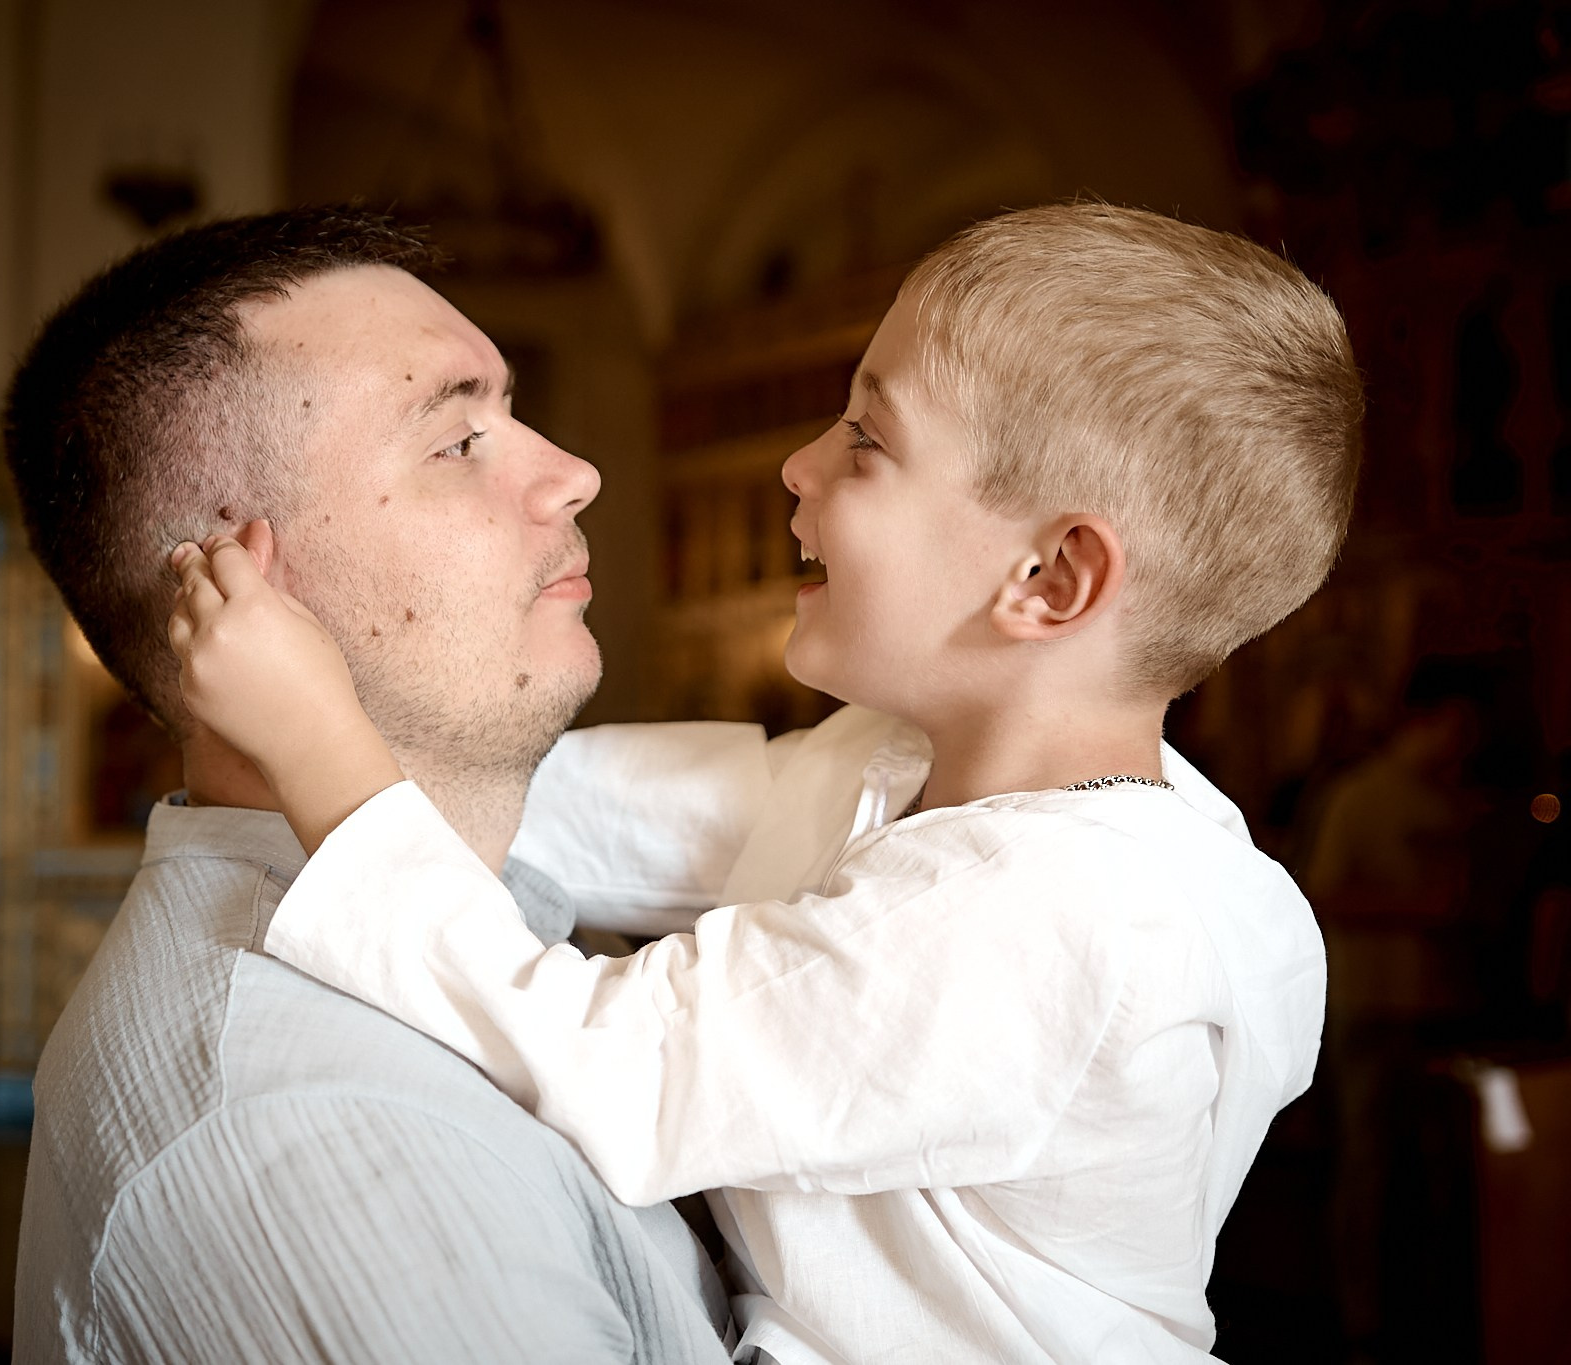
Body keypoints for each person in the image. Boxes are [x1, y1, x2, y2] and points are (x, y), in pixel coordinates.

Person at [167, 203, 1364, 1364]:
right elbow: (577, 807)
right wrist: (341, 683)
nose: (797, 468)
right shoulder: (900, 767)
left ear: (1047, 578)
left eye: (865, 442)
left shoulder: (1054, 923)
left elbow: (609, 1068)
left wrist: (319, 743)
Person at [2, 206, 733, 1363]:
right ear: (235, 590)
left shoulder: (482, 935)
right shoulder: (329, 1134)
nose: (574, 475)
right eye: (456, 441)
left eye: (512, 410)